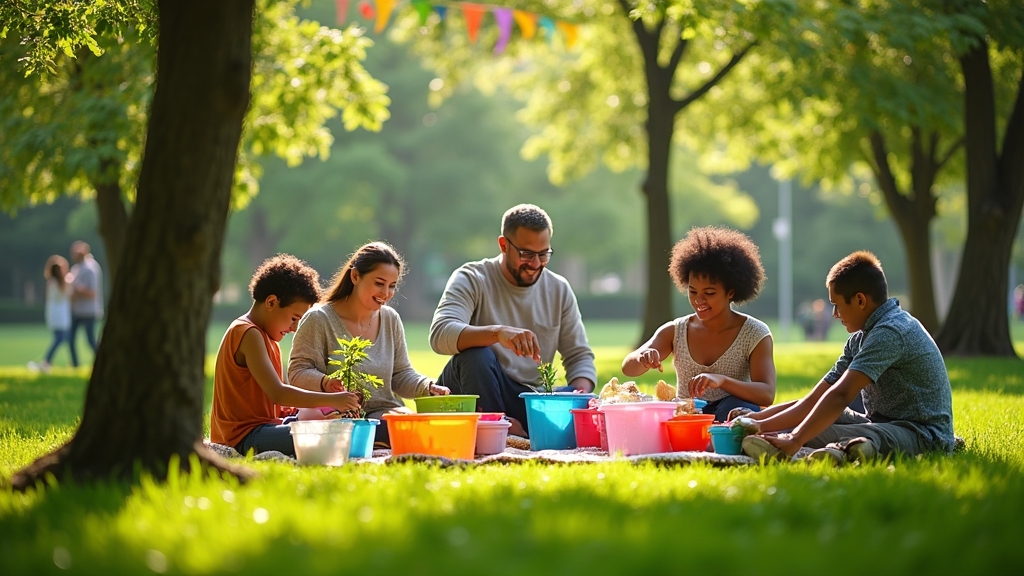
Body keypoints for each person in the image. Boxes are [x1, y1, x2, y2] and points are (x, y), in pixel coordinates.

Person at [739, 251, 955, 465]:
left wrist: (795, 438)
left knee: (815, 431)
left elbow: (842, 394)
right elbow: (815, 400)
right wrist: (755, 421)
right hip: (878, 423)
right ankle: (846, 450)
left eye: (837, 305)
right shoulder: (860, 338)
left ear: (860, 300)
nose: (834, 314)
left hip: (922, 434)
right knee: (817, 419)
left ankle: (845, 449)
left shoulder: (890, 332)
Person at [429, 204, 597, 438]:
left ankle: (517, 430)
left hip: (529, 397)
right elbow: (440, 334)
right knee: (476, 355)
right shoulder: (472, 278)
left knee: (586, 400)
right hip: (478, 385)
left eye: (543, 254)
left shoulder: (558, 289)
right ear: (503, 245)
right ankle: (501, 429)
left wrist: (580, 394)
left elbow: (579, 356)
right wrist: (497, 333)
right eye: (527, 254)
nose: (536, 264)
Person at [288, 242, 449, 446]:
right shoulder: (319, 319)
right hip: (335, 413)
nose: (386, 293)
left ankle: (376, 440)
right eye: (379, 283)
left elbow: (400, 374)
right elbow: (297, 371)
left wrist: (428, 386)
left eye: (392, 286)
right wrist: (325, 383)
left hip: (383, 412)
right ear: (355, 276)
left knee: (409, 425)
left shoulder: (390, 319)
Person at [210, 254, 361, 457]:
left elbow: (275, 404)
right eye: (294, 318)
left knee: (321, 423)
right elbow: (278, 393)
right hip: (242, 437)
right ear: (271, 302)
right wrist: (334, 400)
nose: (294, 328)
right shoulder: (247, 333)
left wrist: (320, 402)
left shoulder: (268, 338)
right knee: (324, 436)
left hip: (264, 428)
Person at [621, 226, 775, 422]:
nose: (698, 300)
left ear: (731, 292)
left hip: (732, 414)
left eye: (709, 293)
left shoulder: (754, 334)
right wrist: (643, 358)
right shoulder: (676, 330)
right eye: (692, 292)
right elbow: (628, 369)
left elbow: (766, 394)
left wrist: (721, 381)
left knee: (735, 409)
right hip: (687, 416)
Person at [28, 255, 74, 373]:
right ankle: (46, 361)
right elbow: (69, 292)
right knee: (61, 339)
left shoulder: (52, 283)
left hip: (55, 315)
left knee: (63, 339)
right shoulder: (59, 283)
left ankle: (52, 362)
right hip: (60, 316)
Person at [68, 241, 103, 367]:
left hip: (89, 311)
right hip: (77, 310)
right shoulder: (76, 269)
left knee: (90, 341)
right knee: (70, 339)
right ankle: (75, 365)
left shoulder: (91, 268)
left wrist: (77, 289)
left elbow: (93, 293)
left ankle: (102, 362)